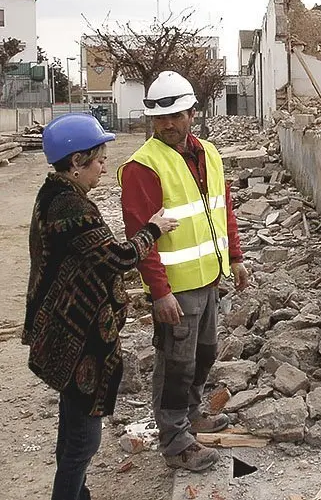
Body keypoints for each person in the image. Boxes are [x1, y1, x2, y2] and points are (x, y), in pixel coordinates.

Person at [23, 113, 178, 500]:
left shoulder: (56, 195)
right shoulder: (69, 208)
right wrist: (153, 228)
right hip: (76, 341)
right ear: (76, 162)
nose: (105, 167)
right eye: (99, 159)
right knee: (82, 442)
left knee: (72, 435)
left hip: (69, 334)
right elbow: (119, 258)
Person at [118, 70, 249, 472]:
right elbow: (141, 236)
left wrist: (237, 257)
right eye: (160, 119)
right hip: (175, 288)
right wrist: (159, 291)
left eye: (175, 116)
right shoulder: (144, 167)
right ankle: (175, 441)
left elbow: (222, 209)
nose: (168, 124)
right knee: (175, 365)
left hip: (209, 277)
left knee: (204, 354)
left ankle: (191, 415)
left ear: (193, 113)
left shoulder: (208, 153)